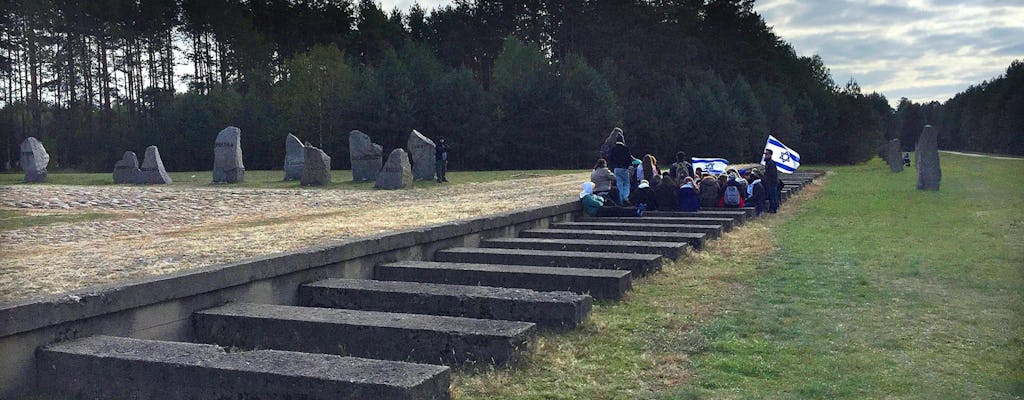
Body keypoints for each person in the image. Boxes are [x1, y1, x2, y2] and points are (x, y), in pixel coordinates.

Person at [607, 135, 633, 203]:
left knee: (619, 184)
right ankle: (625, 197)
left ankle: (620, 200)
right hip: (624, 169)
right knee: (627, 184)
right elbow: (629, 159)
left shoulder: (613, 149)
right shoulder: (625, 149)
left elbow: (610, 160)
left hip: (616, 169)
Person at [763, 148, 780, 213]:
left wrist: (768, 180)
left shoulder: (771, 163)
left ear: (770, 155)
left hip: (772, 182)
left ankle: (773, 209)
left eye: (767, 154)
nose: (765, 155)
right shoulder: (767, 163)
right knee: (771, 196)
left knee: (773, 196)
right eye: (765, 154)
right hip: (769, 182)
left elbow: (772, 174)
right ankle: (772, 208)